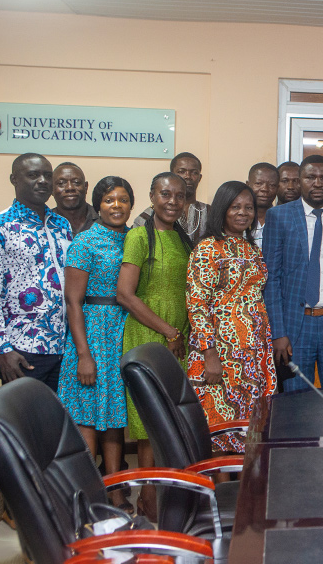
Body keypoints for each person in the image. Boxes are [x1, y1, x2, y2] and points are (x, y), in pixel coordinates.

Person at [116, 172, 193, 519]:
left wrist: (181, 335)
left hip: (179, 338)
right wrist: (168, 331)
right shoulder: (137, 236)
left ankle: (164, 490)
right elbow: (125, 295)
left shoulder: (183, 238)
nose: (172, 201)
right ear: (151, 196)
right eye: (165, 194)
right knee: (148, 420)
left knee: (171, 417)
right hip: (149, 335)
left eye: (179, 195)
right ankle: (147, 496)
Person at [56, 176, 134, 510]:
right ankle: (91, 492)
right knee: (88, 413)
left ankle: (115, 487)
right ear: (98, 205)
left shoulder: (136, 239)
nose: (117, 206)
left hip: (123, 329)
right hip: (91, 331)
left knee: (114, 413)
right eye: (109, 200)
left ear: (132, 204)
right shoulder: (85, 242)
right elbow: (73, 301)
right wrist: (83, 355)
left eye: (123, 200)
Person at [186, 181, 277, 452]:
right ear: (222, 210)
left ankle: (245, 490)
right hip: (220, 355)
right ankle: (219, 492)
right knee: (218, 427)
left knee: (250, 429)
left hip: (253, 354)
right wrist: (209, 353)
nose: (243, 212)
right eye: (235, 206)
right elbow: (197, 304)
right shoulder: (208, 249)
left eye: (248, 207)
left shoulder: (252, 249)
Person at [0, 153, 73, 390]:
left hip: (64, 347)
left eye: (47, 176)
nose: (42, 181)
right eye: (33, 175)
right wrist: (2, 350)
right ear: (14, 179)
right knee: (25, 422)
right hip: (22, 350)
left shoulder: (62, 225)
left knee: (58, 423)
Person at [264, 155, 323, 391]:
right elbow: (271, 278)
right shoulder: (279, 216)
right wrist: (278, 333)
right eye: (310, 177)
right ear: (300, 181)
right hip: (296, 325)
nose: (318, 183)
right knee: (296, 405)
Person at [133, 152, 209, 244]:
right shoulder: (147, 216)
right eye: (181, 171)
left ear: (200, 178)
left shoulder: (210, 212)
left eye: (194, 173)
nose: (188, 176)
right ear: (171, 175)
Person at [52, 162, 97, 234]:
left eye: (76, 182)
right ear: (52, 189)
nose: (69, 188)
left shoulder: (103, 220)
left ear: (86, 187)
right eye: (61, 183)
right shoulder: (44, 222)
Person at [246, 162, 280, 251]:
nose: (265, 189)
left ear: (278, 188)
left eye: (272, 185)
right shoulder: (239, 220)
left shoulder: (283, 221)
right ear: (248, 185)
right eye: (258, 183)